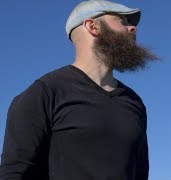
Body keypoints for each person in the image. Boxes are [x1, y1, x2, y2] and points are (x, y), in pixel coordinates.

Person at [0, 0, 158, 179]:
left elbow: (140, 174)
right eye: (122, 21)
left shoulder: (134, 102)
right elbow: (15, 172)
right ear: (93, 26)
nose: (132, 28)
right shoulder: (45, 92)